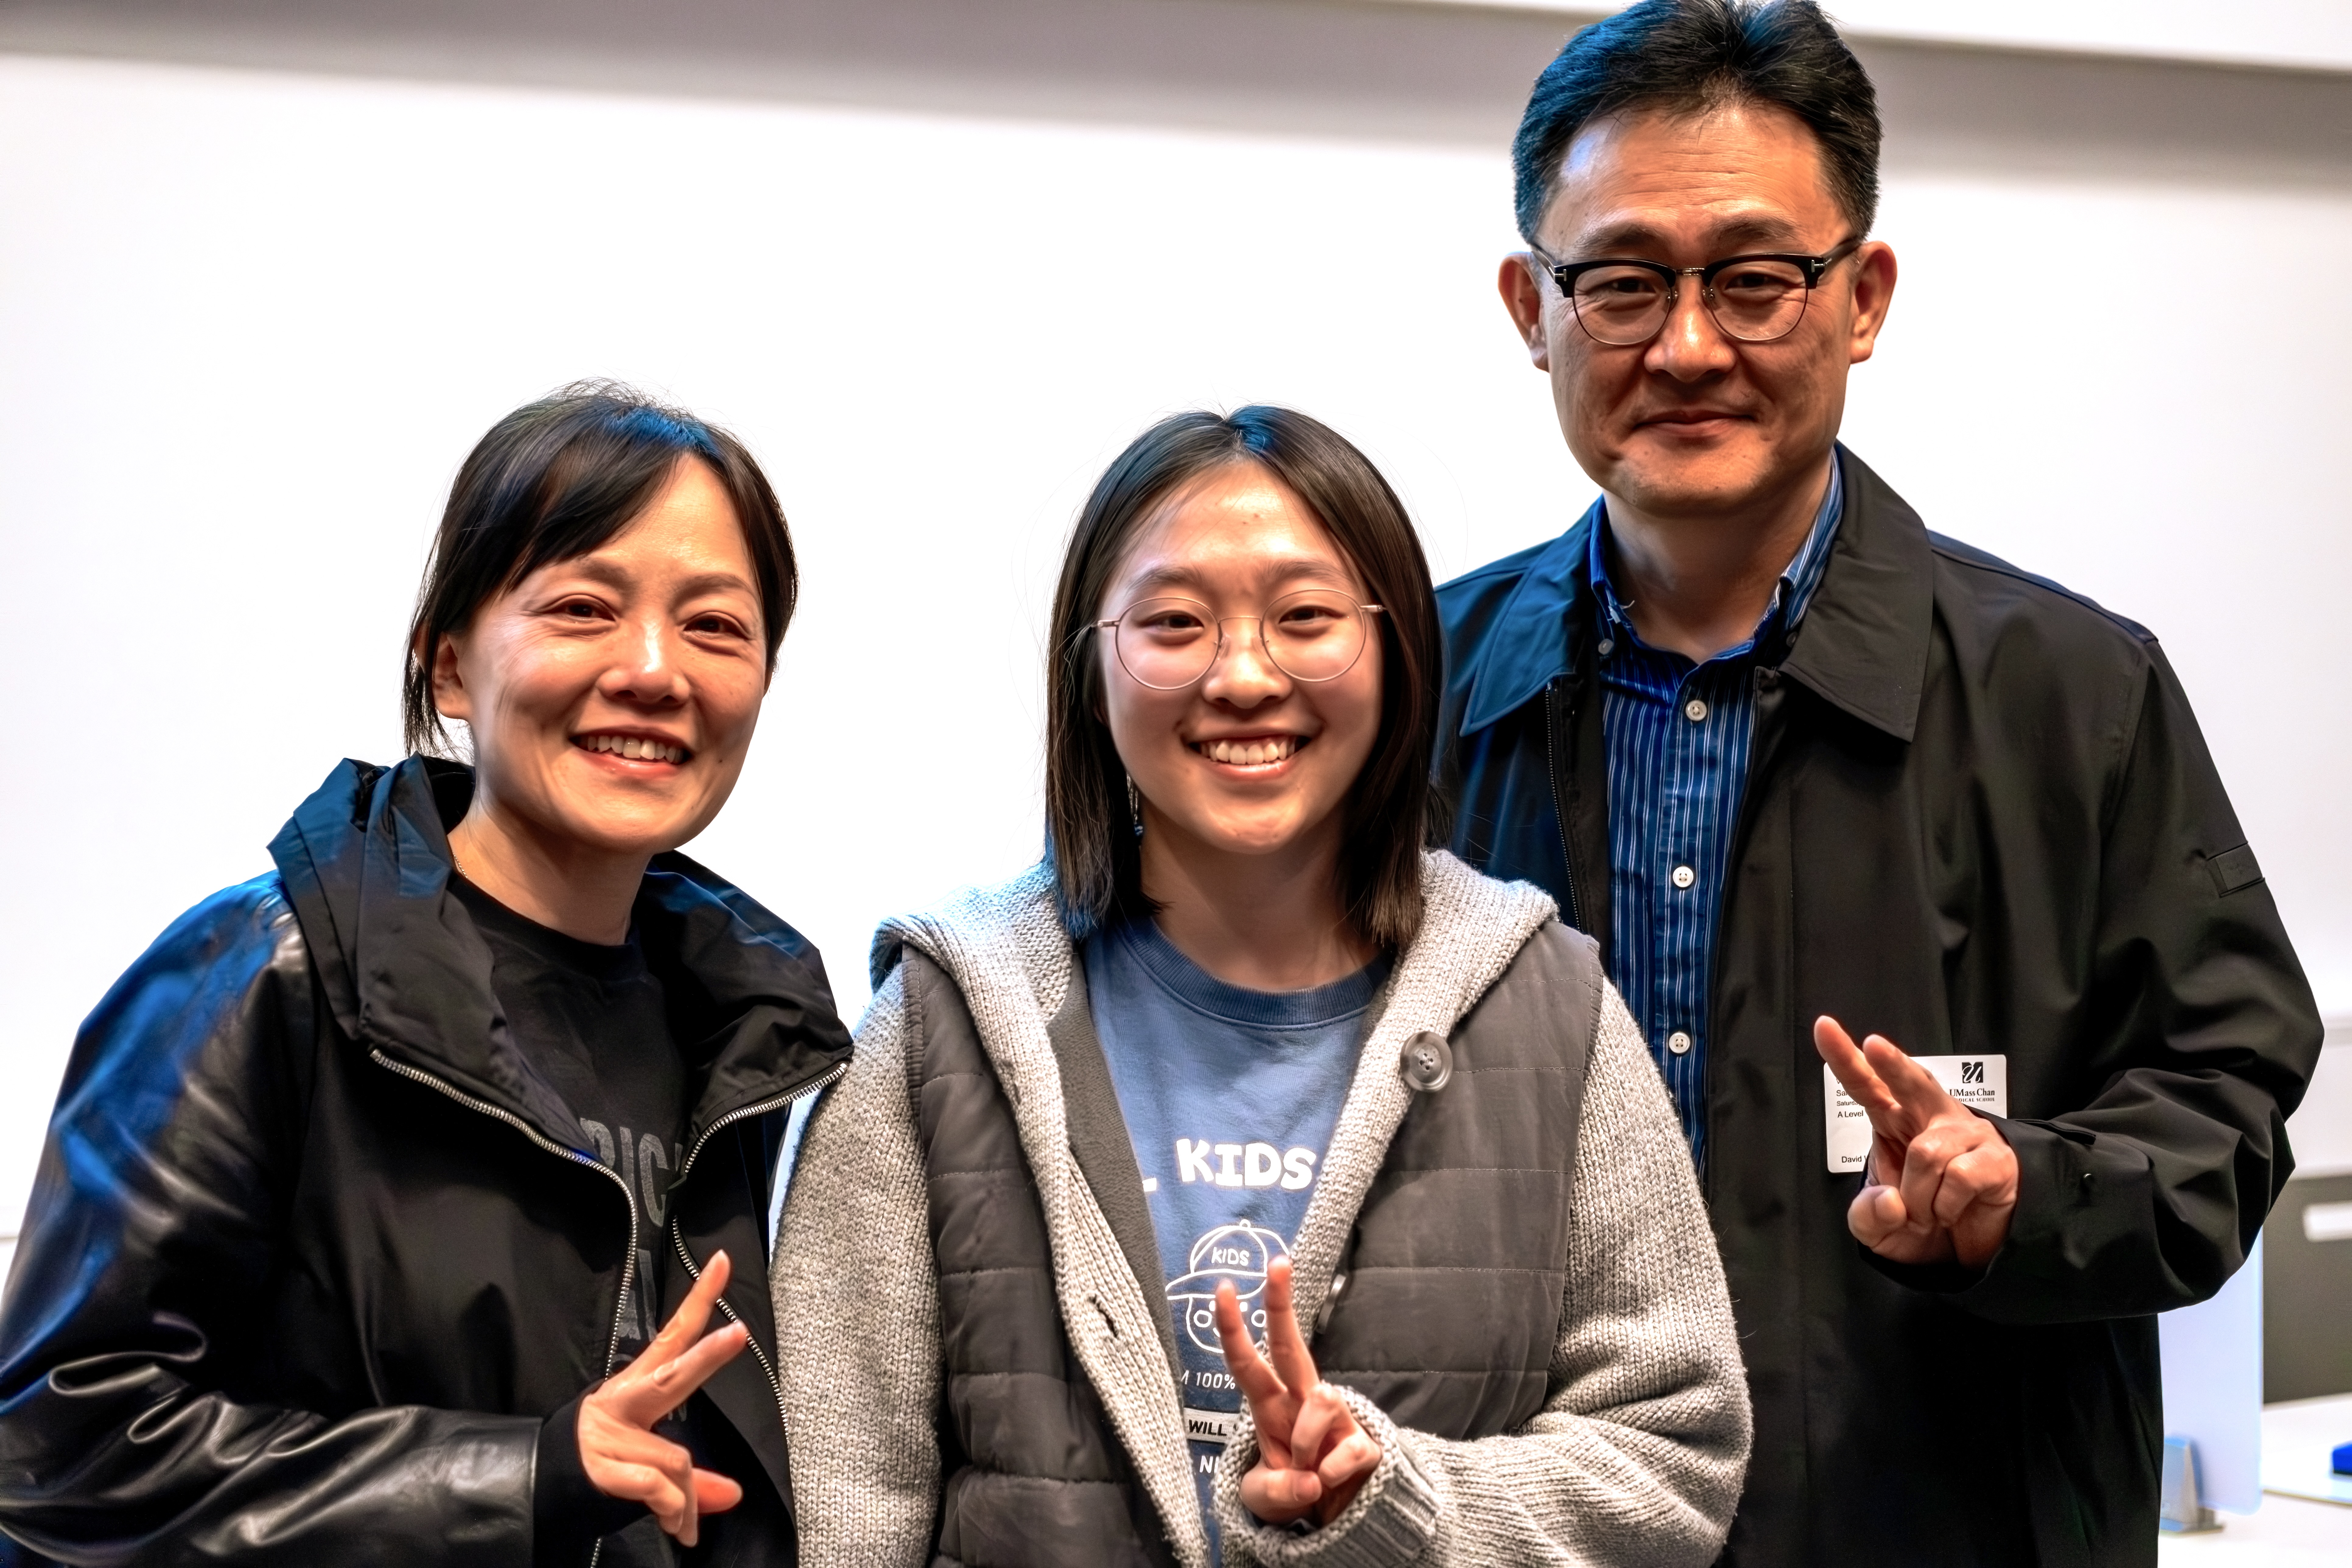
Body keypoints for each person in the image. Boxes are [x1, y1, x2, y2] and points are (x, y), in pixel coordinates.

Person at [1436, 2, 2326, 1563]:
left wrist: (2024, 1192)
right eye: (1626, 284)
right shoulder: (1421, 693)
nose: (1690, 345)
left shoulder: (2075, 696)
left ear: (1863, 297)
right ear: (1533, 307)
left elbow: (2225, 1108)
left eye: (1757, 280)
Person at [774, 406, 1750, 1568]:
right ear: (1091, 673)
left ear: (1397, 660)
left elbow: (1678, 1453)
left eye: (1306, 619)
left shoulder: (1547, 1004)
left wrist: (1388, 1496)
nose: (1244, 677)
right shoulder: (943, 1023)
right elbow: (841, 1496)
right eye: (1176, 623)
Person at [0, 384, 853, 1566]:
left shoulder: (755, 1035)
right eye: (582, 607)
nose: (656, 670)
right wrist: (526, 1477)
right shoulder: (266, 973)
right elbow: (59, 1455)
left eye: (715, 626)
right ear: (450, 667)